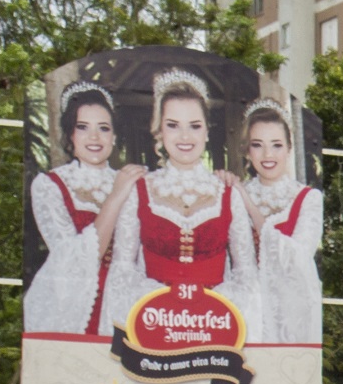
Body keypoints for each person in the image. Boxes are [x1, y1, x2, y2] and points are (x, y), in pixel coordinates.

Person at [98, 69, 261, 335]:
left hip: (214, 326)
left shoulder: (228, 192)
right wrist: (163, 306)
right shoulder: (139, 189)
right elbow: (122, 269)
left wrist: (213, 309)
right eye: (173, 125)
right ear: (159, 131)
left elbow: (246, 274)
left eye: (194, 126)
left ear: (207, 131)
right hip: (153, 323)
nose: (185, 137)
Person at [23, 81, 134, 335]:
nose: (94, 137)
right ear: (70, 134)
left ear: (114, 136)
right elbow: (71, 258)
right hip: (73, 306)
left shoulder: (132, 181)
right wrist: (116, 197)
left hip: (127, 306)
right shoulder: (50, 185)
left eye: (103, 128)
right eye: (82, 127)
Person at [238, 100, 323, 343]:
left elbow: (296, 257)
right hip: (246, 315)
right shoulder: (237, 195)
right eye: (258, 145)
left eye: (276, 145)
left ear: (288, 148)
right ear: (247, 151)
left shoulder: (308, 199)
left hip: (291, 318)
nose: (267, 155)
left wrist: (250, 208)